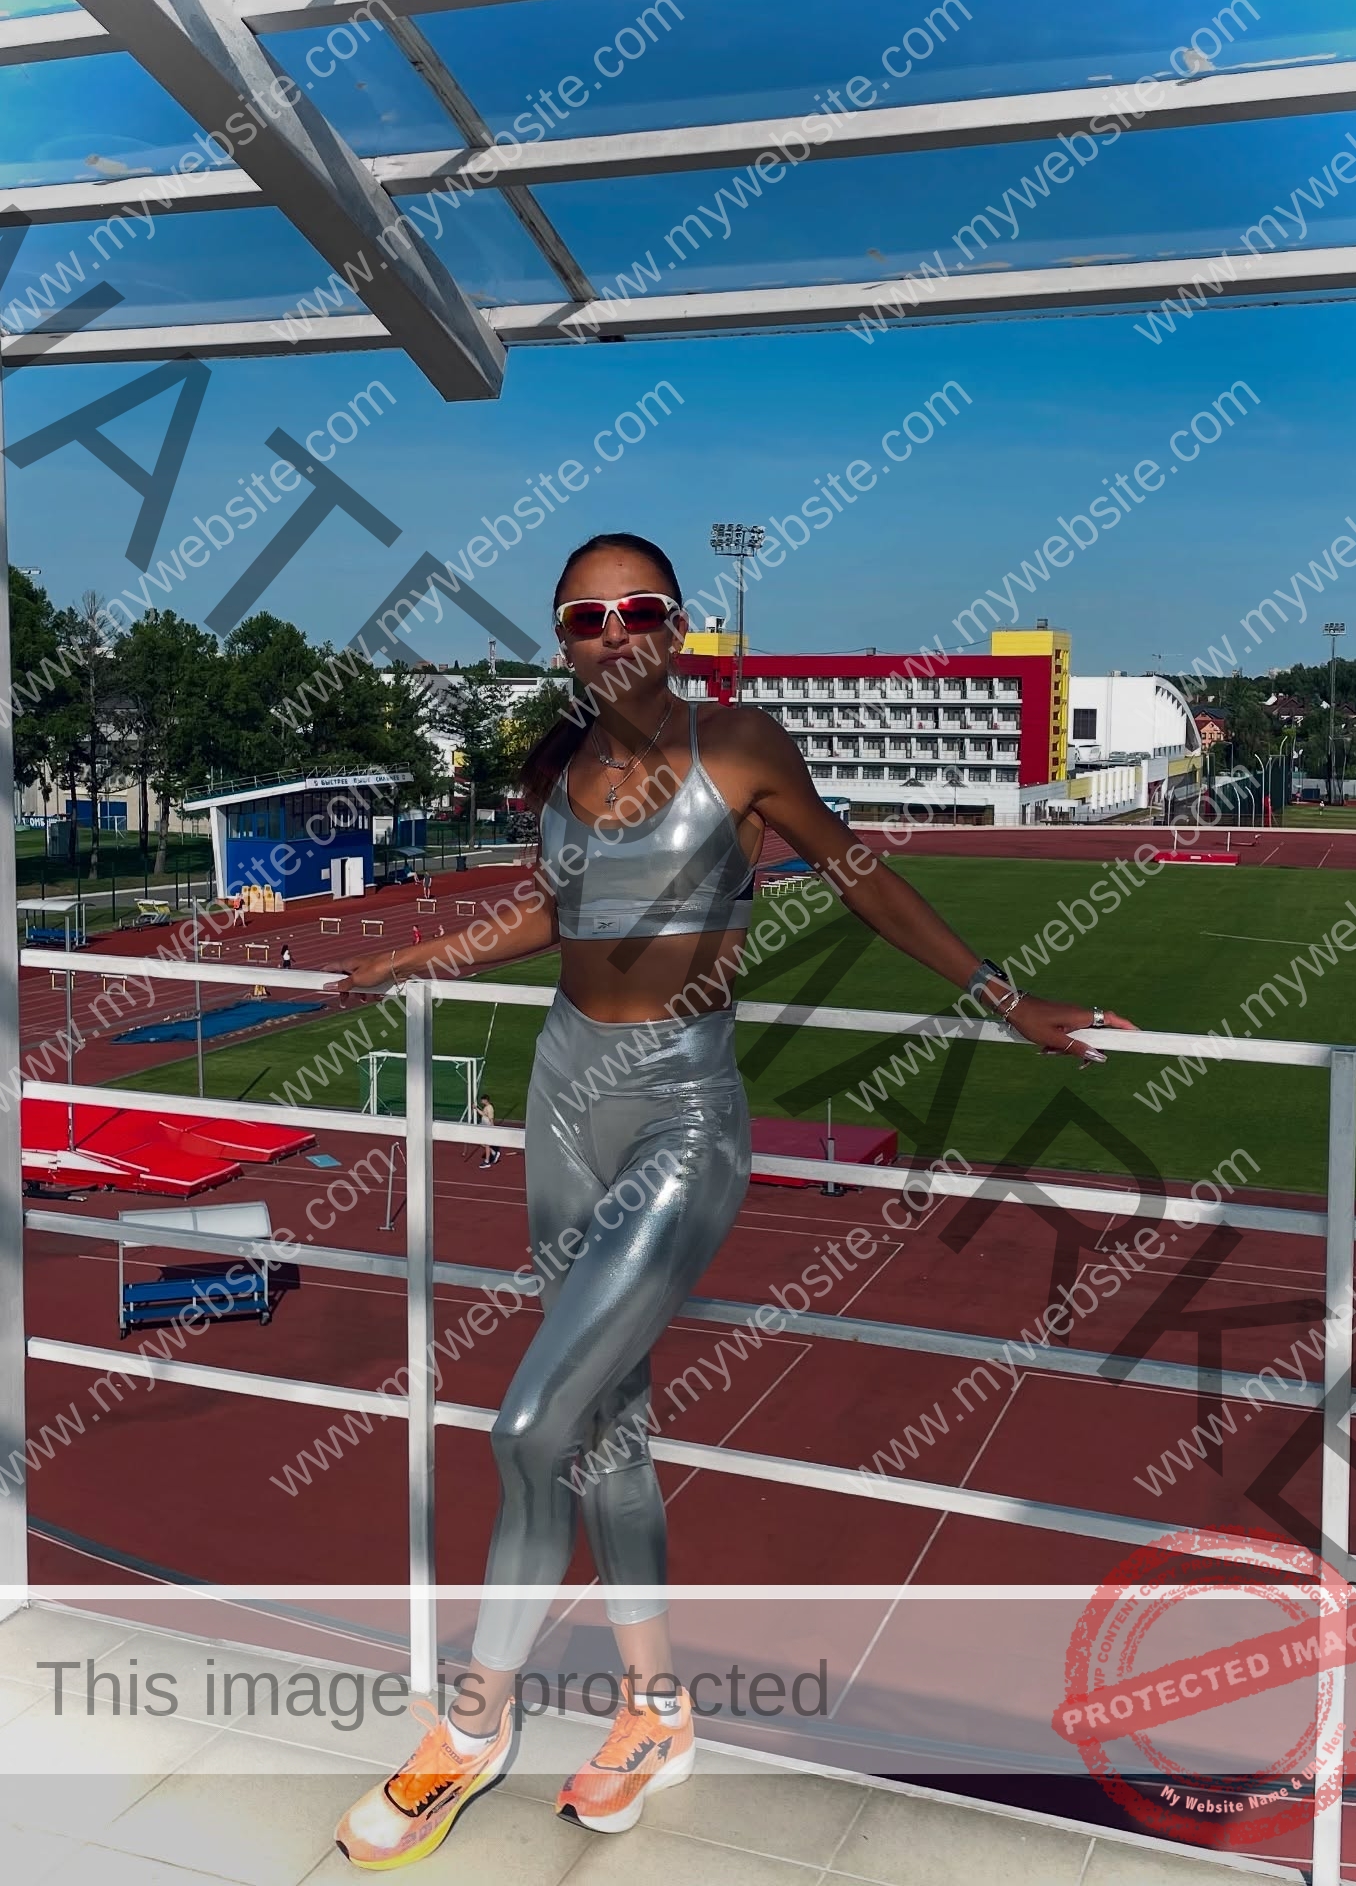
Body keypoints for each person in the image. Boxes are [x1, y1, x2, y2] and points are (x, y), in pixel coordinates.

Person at [330, 532, 1134, 1868]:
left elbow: (860, 872)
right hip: (561, 1103)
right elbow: (557, 913)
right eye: (586, 617)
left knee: (529, 1425)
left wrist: (1007, 998)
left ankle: (468, 1730)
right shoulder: (569, 772)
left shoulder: (744, 746)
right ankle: (657, 1715)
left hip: (682, 1118)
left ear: (681, 623)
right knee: (604, 1435)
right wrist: (417, 951)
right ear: (565, 639)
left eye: (638, 607)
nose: (614, 630)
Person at [476, 1092, 497, 1169]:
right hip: (484, 1127)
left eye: (482, 1100)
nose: (481, 1101)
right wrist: (476, 1108)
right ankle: (493, 1152)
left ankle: (487, 1161)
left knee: (487, 1144)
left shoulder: (490, 1108)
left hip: (488, 1128)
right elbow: (483, 1114)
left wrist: (492, 1129)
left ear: (486, 1100)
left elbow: (491, 1119)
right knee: (480, 1142)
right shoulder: (486, 1107)